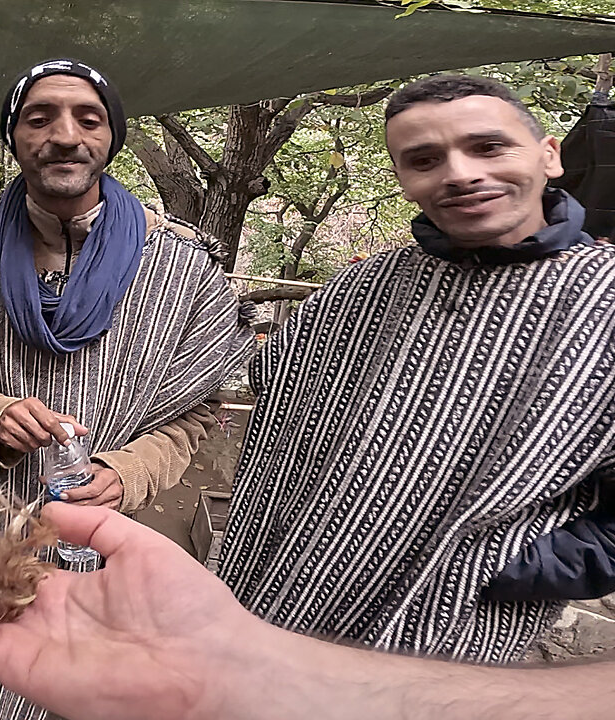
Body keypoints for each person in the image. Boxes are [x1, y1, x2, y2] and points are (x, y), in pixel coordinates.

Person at [0, 58, 254, 719]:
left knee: (76, 692)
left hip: (98, 536)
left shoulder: (182, 268)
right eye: (39, 117)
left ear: (112, 137)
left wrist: (127, 470)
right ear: (14, 136)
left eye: (89, 117)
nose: (65, 134)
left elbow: (196, 412)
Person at [219, 75, 615, 663]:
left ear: (549, 155)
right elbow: (276, 393)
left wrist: (514, 569)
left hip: (441, 634)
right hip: (269, 599)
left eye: (487, 147)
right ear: (404, 180)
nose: (459, 174)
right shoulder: (363, 285)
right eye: (425, 159)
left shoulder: (603, 297)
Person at [0, 504, 615, 720]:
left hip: (462, 621)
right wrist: (229, 665)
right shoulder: (354, 299)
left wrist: (501, 559)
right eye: (421, 156)